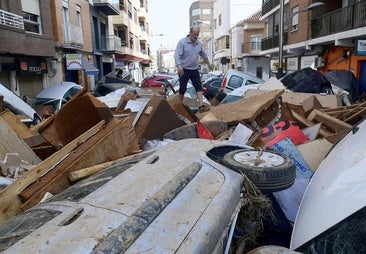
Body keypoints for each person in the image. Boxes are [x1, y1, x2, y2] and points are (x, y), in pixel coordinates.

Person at [174, 25, 212, 111]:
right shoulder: (182, 42)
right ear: (190, 33)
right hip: (184, 69)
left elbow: (203, 55)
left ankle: (201, 105)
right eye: (194, 34)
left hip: (194, 69)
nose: (196, 36)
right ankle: (179, 104)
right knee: (182, 88)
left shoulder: (199, 43)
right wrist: (179, 66)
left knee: (198, 87)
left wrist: (209, 64)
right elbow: (177, 55)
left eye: (197, 34)